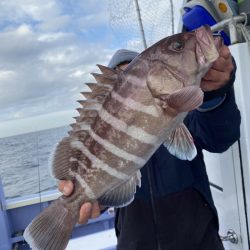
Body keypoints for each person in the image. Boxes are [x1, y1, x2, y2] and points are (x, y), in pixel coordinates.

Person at [58, 42, 241, 249]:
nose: (132, 91)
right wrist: (92, 197)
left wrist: (216, 93)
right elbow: (110, 192)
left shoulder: (184, 113)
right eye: (123, 83)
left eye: (136, 77)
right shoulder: (106, 132)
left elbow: (220, 138)